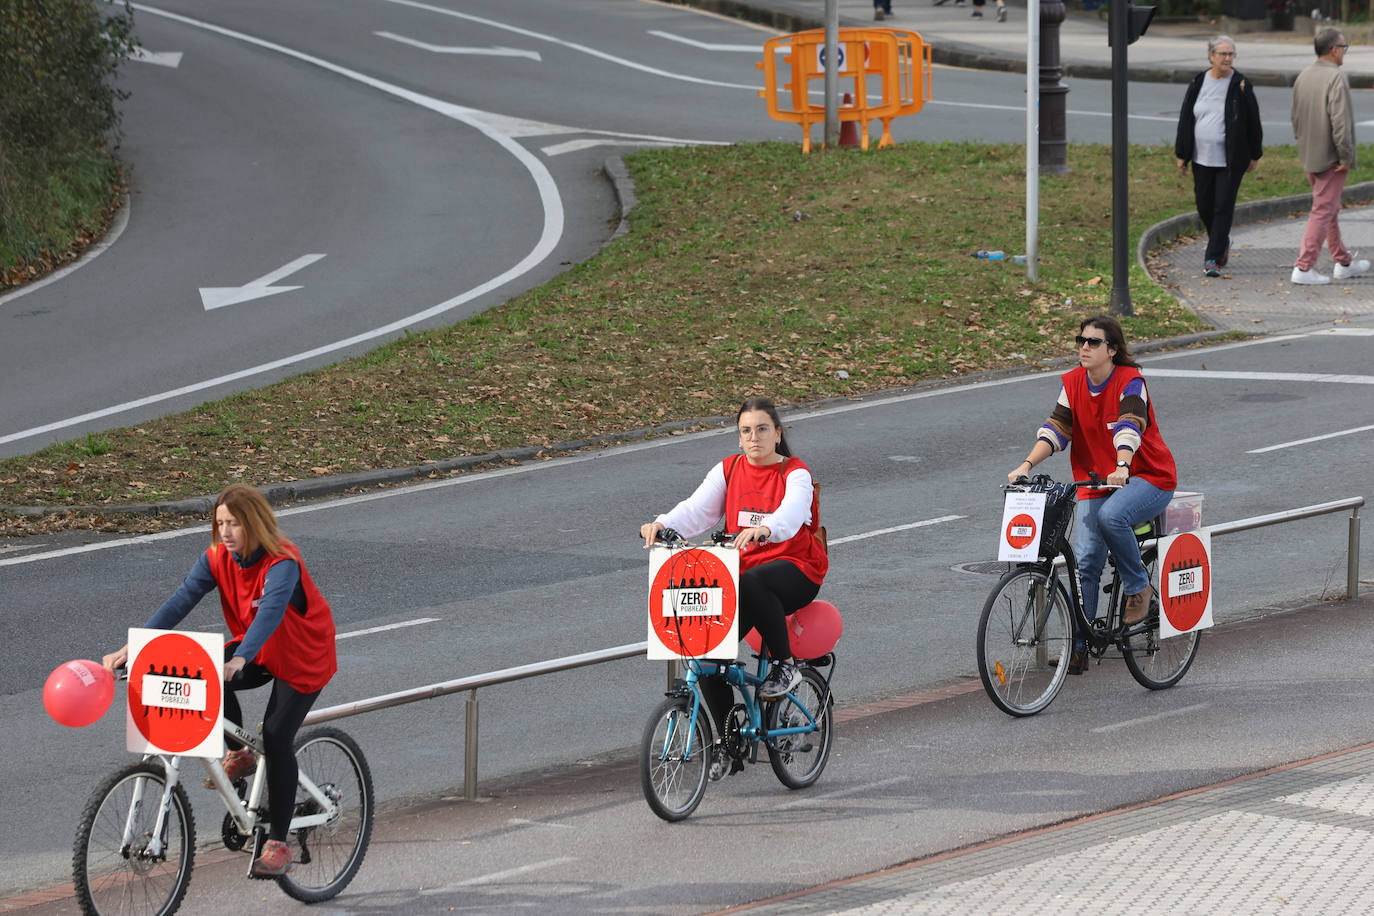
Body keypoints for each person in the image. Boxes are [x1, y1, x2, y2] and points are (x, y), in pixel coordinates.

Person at [101, 485, 337, 878]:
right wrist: (133, 647)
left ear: (254, 524)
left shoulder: (282, 562)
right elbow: (181, 600)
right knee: (203, 671)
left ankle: (278, 843)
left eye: (234, 524)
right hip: (259, 649)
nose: (224, 532)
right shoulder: (216, 559)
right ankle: (240, 754)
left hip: (302, 656)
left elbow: (271, 612)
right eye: (220, 523)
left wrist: (241, 657)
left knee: (278, 738)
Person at [1007, 316, 1177, 673]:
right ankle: (1080, 648)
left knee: (1111, 517)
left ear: (1112, 350)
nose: (1084, 347)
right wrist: (1026, 465)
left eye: (1093, 342)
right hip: (1097, 481)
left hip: (1147, 477)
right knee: (1084, 561)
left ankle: (1137, 586)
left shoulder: (1131, 382)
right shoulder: (1072, 383)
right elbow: (1056, 429)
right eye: (1080, 340)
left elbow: (1130, 426)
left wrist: (1123, 464)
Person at [641, 396, 827, 709]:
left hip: (797, 571)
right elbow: (696, 510)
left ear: (778, 434)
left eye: (762, 429)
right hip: (744, 580)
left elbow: (792, 514)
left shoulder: (795, 473)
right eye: (746, 431)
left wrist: (767, 529)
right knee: (707, 658)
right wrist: (661, 524)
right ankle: (726, 749)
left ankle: (786, 665)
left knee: (755, 580)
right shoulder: (729, 470)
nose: (754, 437)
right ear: (739, 438)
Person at [1174, 36, 1262, 279]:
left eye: (1231, 54)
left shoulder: (1241, 84)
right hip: (1201, 157)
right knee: (1204, 204)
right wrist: (1182, 153)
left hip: (1231, 159)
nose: (1228, 59)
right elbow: (1186, 119)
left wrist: (1255, 153)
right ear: (1211, 55)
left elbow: (1253, 121)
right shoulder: (1198, 82)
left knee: (1223, 206)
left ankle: (1211, 258)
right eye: (1223, 54)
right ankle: (1221, 241)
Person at [1290, 28, 1369, 286]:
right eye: (1344, 48)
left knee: (1329, 208)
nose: (1345, 52)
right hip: (1331, 157)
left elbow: (1295, 117)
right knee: (1323, 210)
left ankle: (1343, 261)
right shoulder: (1335, 77)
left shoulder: (1303, 75)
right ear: (1334, 49)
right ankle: (1304, 267)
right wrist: (1345, 155)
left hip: (1309, 153)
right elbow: (1340, 122)